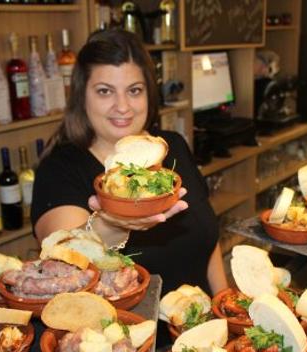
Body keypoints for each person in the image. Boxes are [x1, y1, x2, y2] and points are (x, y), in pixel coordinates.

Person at [31, 29, 228, 298]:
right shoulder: (59, 169)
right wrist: (113, 224)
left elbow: (209, 241)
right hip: (128, 338)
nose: (123, 106)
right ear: (81, 96)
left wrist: (224, 307)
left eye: (134, 90)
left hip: (203, 328)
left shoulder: (173, 146)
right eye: (105, 91)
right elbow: (66, 263)